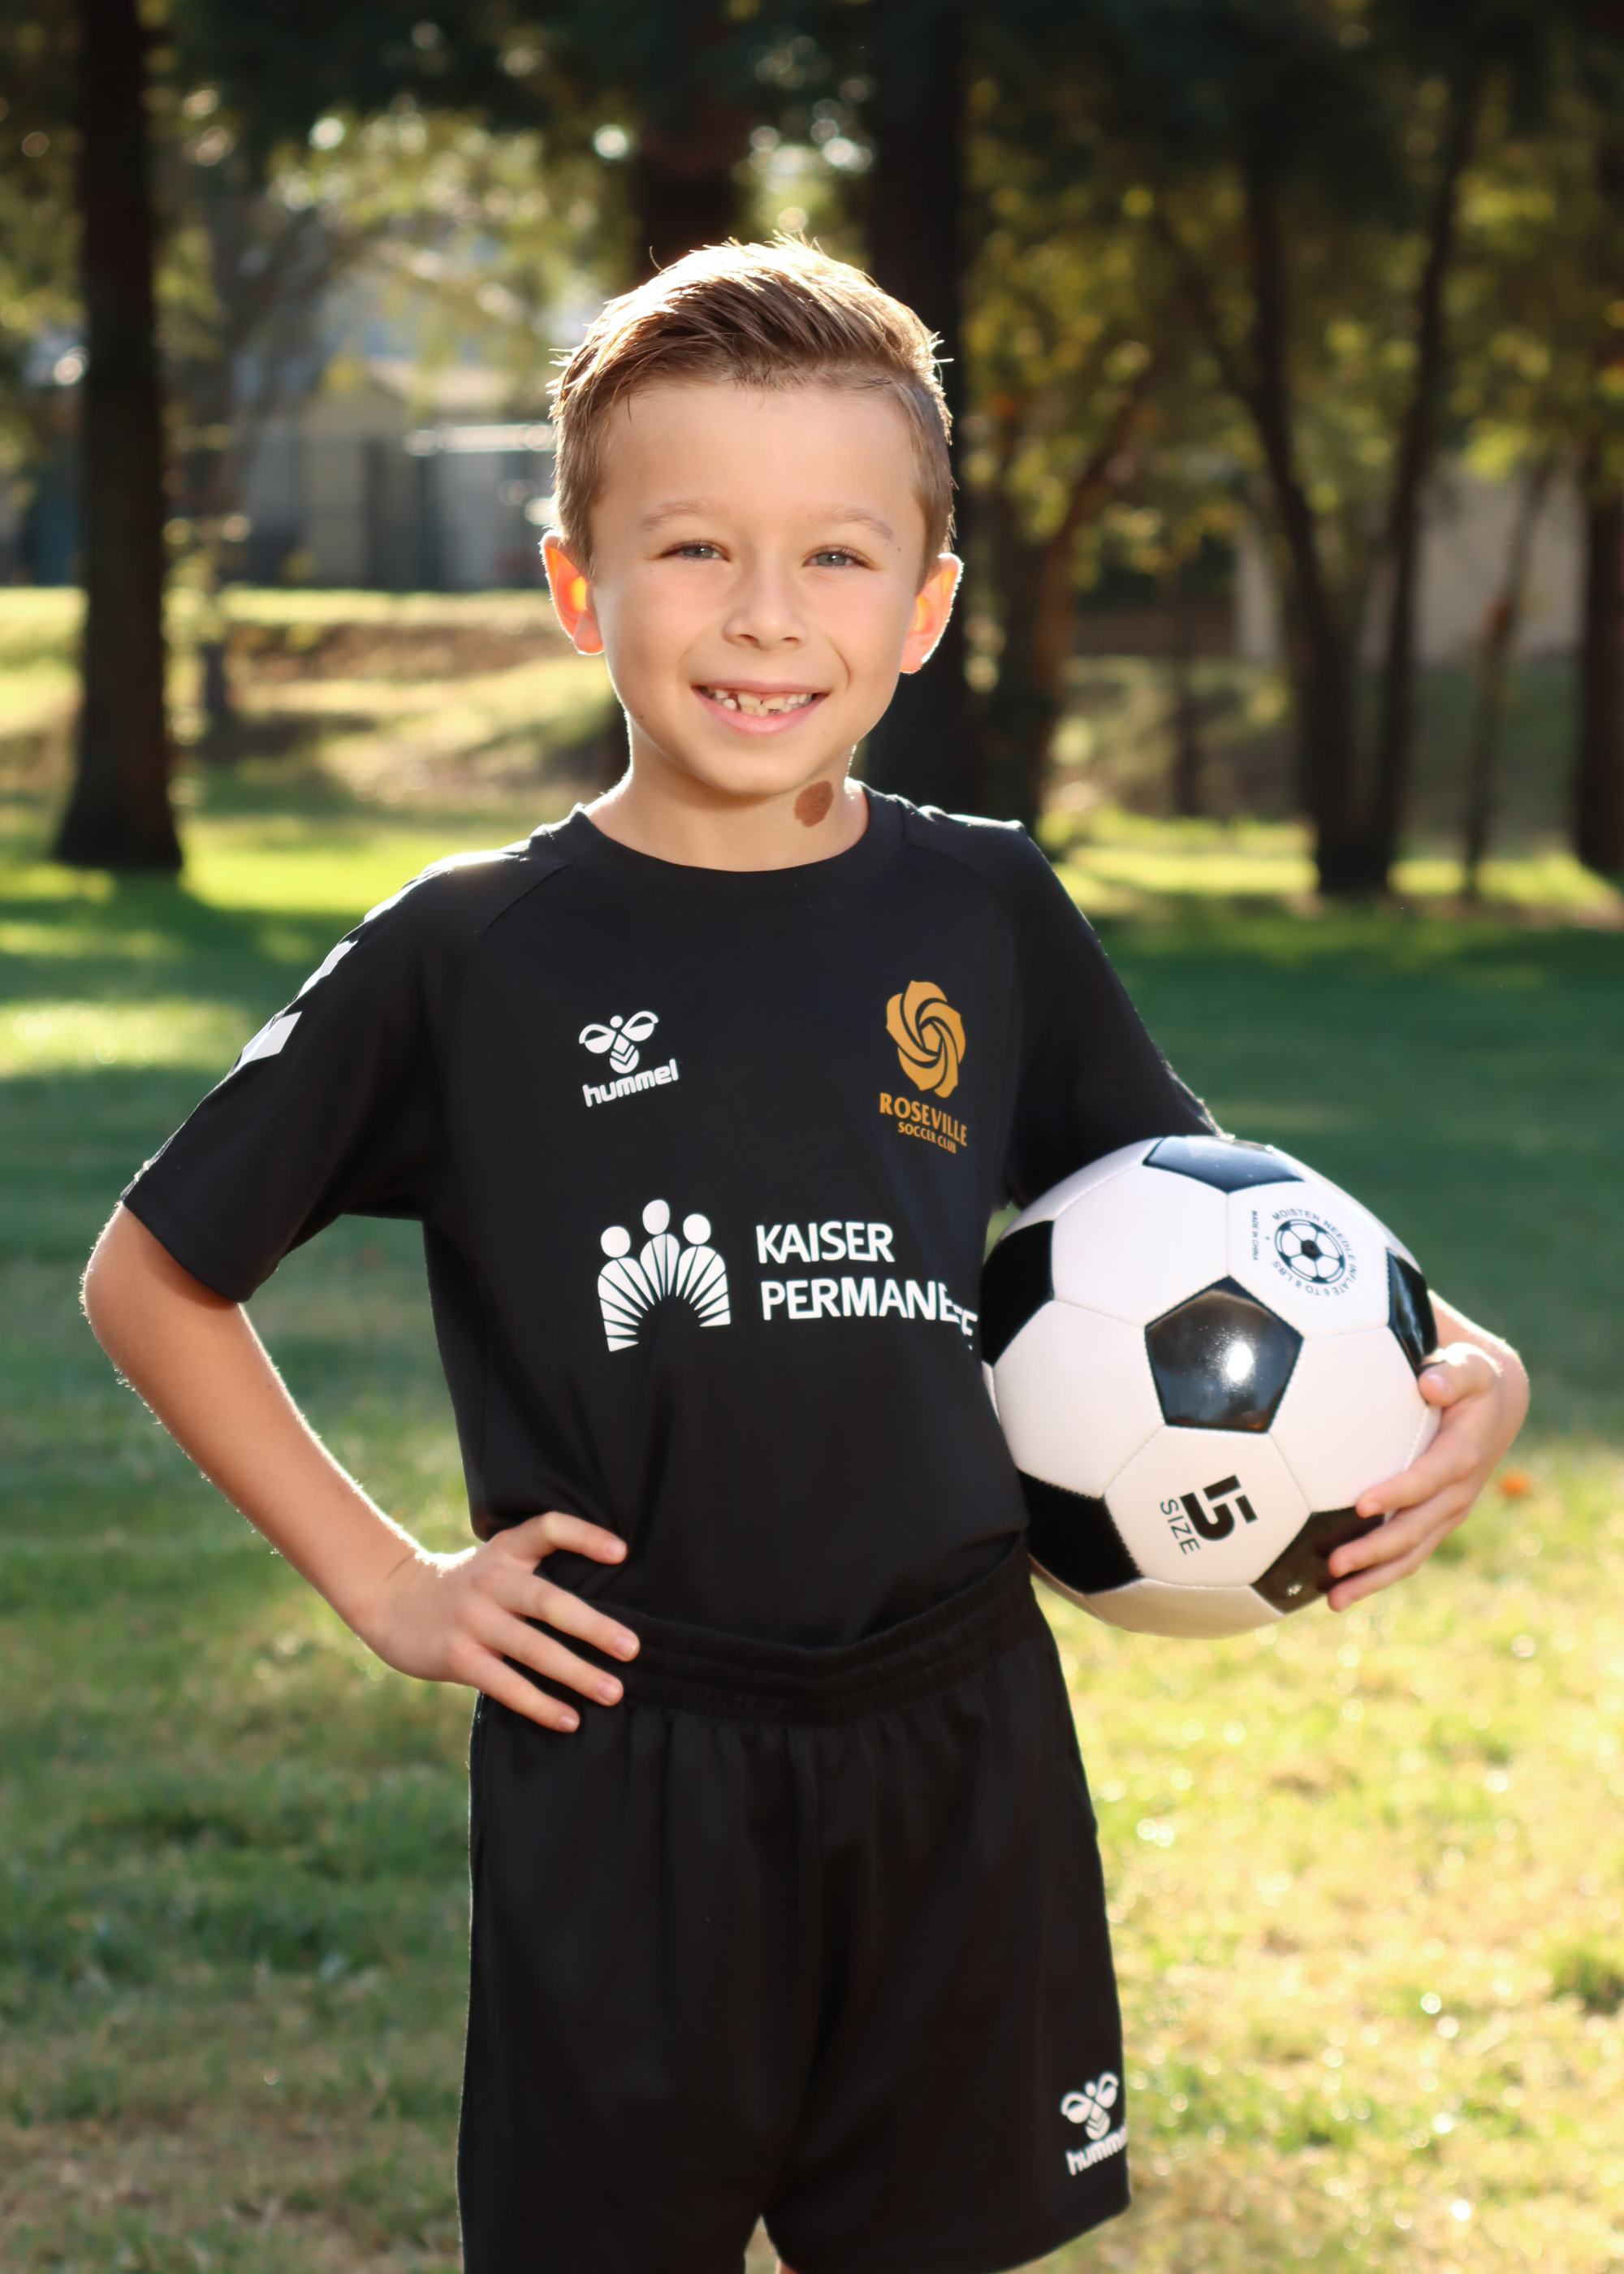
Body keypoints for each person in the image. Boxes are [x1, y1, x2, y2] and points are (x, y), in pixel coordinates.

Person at [82, 242, 1528, 2274]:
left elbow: (1210, 1218)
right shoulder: (471, 952)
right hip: (625, 1744)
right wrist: (390, 1582)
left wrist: (1464, 1357)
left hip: (956, 1732)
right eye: (693, 547)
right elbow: (152, 1271)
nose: (766, 614)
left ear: (924, 605)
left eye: (838, 556)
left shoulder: (985, 909)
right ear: (577, 584)